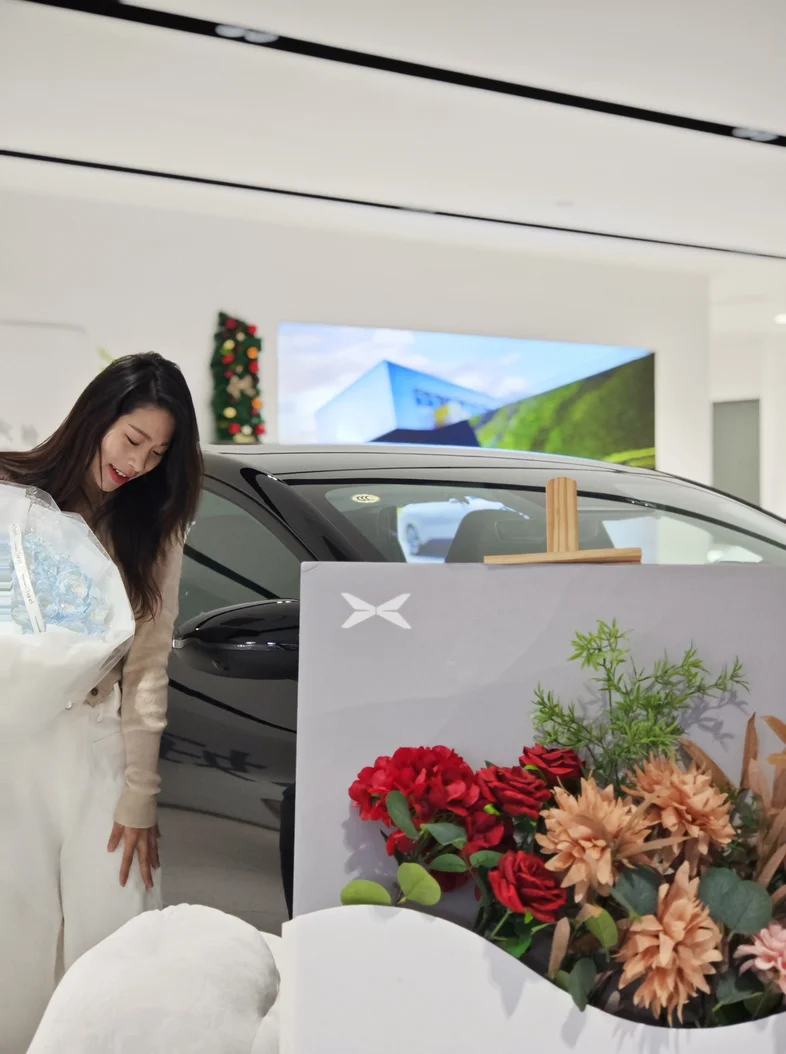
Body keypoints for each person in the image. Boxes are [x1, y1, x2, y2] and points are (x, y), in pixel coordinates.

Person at [0, 353, 202, 1052]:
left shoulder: (155, 526)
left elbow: (147, 667)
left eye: (158, 453)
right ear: (96, 418)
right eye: (132, 440)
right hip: (12, 745)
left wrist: (140, 790)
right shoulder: (9, 489)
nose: (138, 464)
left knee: (113, 924)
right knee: (13, 936)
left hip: (96, 740)